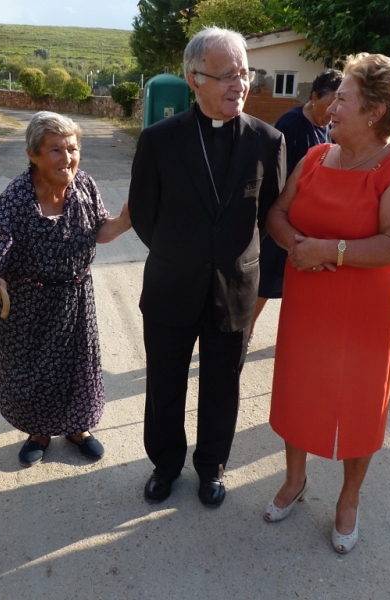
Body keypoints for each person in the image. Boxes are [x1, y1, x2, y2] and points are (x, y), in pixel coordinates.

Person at [265, 53, 390, 553]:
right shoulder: (314, 158)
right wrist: (298, 246)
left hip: (367, 308)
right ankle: (295, 479)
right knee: (299, 386)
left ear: (374, 111)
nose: (331, 105)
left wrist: (328, 250)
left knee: (358, 401)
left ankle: (349, 498)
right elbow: (277, 213)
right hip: (308, 297)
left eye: (343, 98)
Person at [128, 27, 285, 507]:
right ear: (194, 78)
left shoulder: (268, 140)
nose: (239, 84)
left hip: (234, 290)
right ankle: (166, 463)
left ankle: (212, 467)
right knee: (165, 383)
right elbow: (144, 214)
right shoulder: (158, 140)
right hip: (171, 287)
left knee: (223, 386)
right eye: (227, 75)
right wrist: (185, 254)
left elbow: (271, 214)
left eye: (244, 72)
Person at [0, 111, 131, 467]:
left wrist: (127, 219)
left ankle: (78, 429)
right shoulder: (17, 198)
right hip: (27, 307)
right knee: (34, 376)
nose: (67, 158)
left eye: (72, 148)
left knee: (77, 369)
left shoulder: (84, 184)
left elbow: (100, 230)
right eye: (55, 150)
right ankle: (39, 432)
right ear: (33, 154)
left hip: (74, 298)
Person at [251, 69, 343, 340]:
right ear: (314, 97)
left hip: (307, 220)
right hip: (281, 216)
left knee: (295, 279)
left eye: (339, 103)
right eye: (330, 103)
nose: (333, 110)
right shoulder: (290, 126)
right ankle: (247, 328)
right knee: (266, 280)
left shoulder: (328, 128)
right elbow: (274, 175)